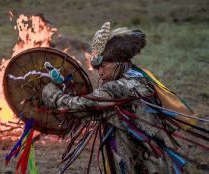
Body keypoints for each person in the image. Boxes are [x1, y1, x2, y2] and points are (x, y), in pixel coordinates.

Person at [42, 22, 188, 174]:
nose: (100, 73)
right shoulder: (139, 78)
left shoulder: (116, 89)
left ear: (118, 63)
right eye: (98, 68)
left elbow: (80, 106)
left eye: (103, 66)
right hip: (156, 164)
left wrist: (49, 91)